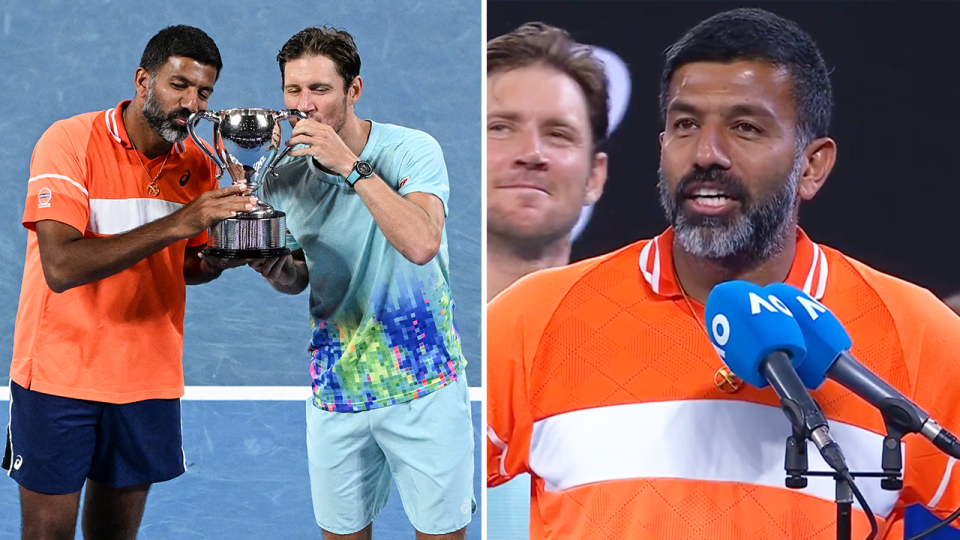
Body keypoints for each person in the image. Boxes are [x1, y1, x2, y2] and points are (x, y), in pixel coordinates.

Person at [486, 8, 960, 539]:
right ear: (662, 146)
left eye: (745, 127)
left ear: (812, 166)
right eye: (686, 125)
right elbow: (420, 483)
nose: (707, 154)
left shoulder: (919, 334)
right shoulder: (535, 318)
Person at [3, 25, 255, 540]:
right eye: (178, 85)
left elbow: (182, 263)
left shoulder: (197, 164)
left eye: (204, 92)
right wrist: (183, 222)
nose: (191, 103)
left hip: (145, 379)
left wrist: (217, 260)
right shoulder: (69, 141)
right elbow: (62, 266)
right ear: (143, 80)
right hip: (60, 377)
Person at [248, 26, 474, 540]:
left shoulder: (414, 151)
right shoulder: (281, 177)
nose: (304, 106)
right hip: (338, 389)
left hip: (425, 387)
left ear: (354, 90)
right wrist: (278, 269)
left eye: (320, 90)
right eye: (293, 91)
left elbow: (421, 243)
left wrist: (347, 165)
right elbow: (301, 276)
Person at [486, 23, 608, 302]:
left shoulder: (633, 340)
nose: (531, 153)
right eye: (500, 128)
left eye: (558, 134)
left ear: (594, 177)